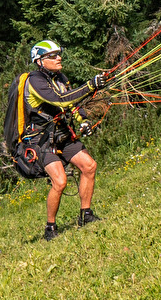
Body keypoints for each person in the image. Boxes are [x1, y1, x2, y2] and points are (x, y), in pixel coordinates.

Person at [19, 40, 110, 241]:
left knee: (89, 166)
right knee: (60, 181)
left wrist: (83, 120)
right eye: (52, 56)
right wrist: (90, 85)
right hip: (40, 140)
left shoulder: (59, 77)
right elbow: (61, 100)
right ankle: (50, 228)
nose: (58, 58)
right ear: (40, 61)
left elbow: (72, 103)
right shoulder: (35, 80)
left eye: (59, 54)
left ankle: (85, 215)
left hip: (61, 134)